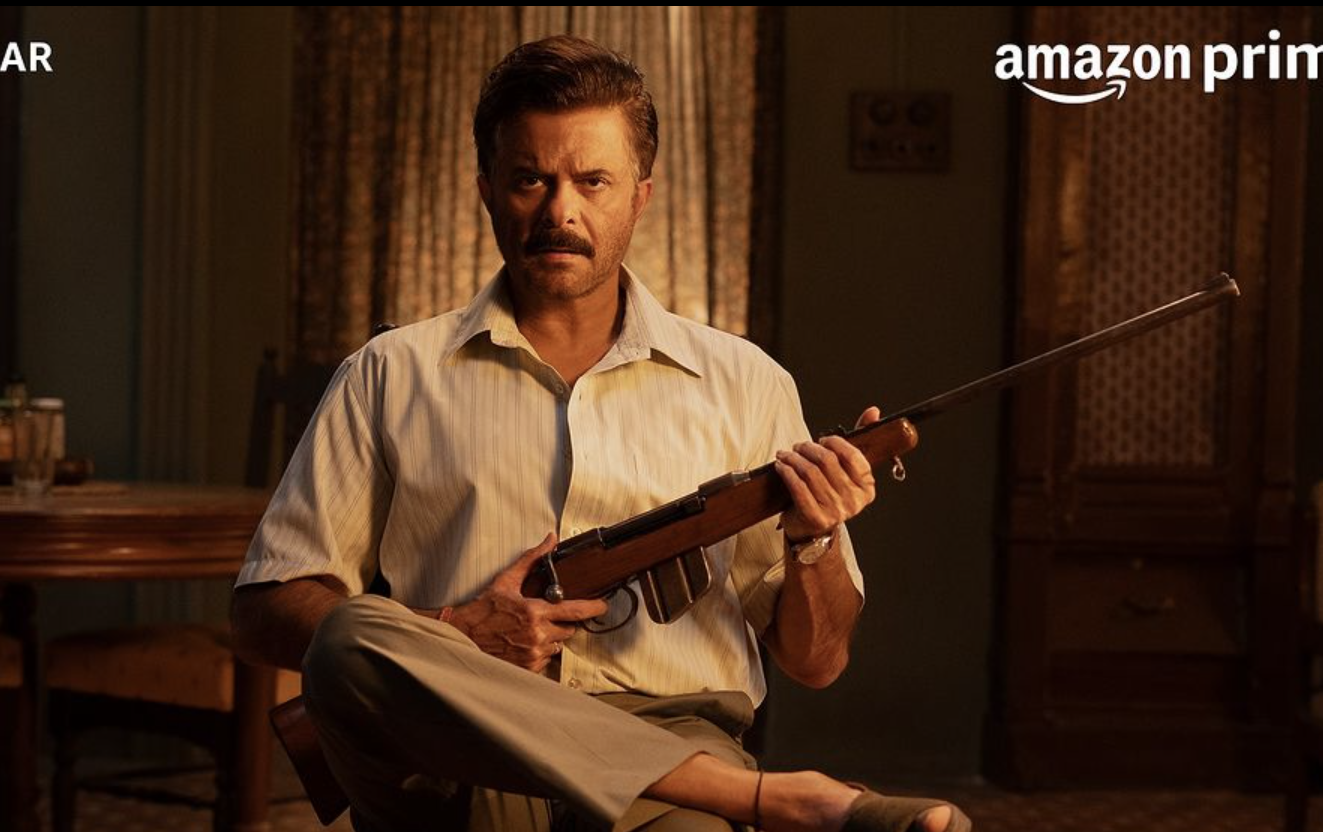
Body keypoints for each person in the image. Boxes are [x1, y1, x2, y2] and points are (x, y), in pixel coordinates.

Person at [231, 35, 969, 832]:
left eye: (592, 181)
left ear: (640, 197)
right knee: (348, 632)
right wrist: (452, 636)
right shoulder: (387, 372)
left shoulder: (747, 382)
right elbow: (263, 610)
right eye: (530, 179)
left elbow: (817, 663)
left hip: (674, 754)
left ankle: (725, 795)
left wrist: (813, 538)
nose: (561, 212)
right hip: (454, 754)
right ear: (487, 191)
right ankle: (774, 801)